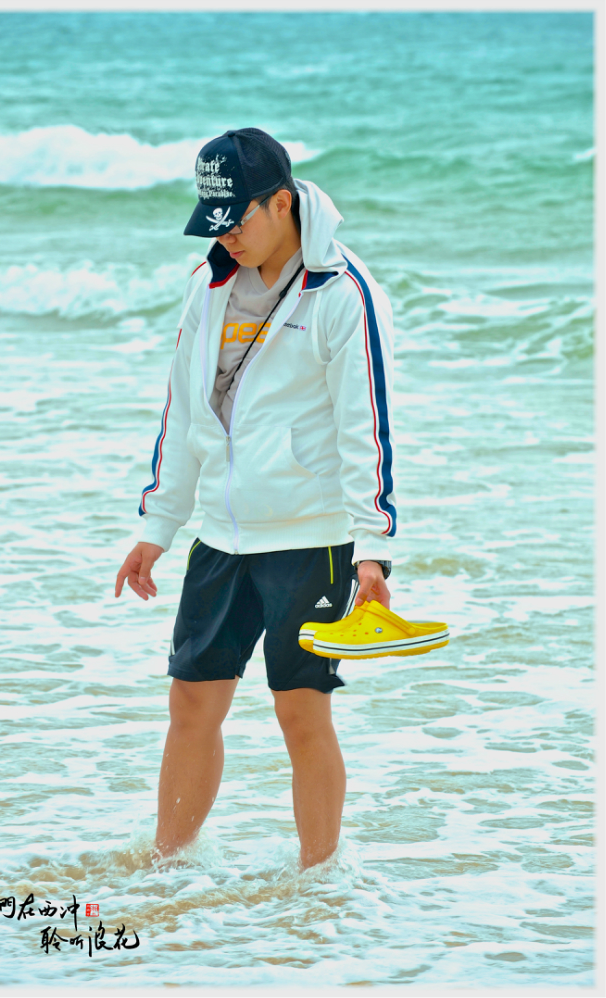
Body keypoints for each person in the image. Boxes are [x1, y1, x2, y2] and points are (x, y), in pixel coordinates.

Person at [115, 128, 396, 869]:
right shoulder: (206, 286)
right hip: (221, 535)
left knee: (301, 713)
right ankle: (168, 866)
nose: (227, 237)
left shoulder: (341, 292)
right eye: (215, 223)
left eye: (238, 219)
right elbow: (183, 411)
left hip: (311, 539)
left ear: (282, 202)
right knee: (190, 703)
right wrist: (160, 524)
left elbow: (366, 424)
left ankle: (317, 882)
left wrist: (372, 548)